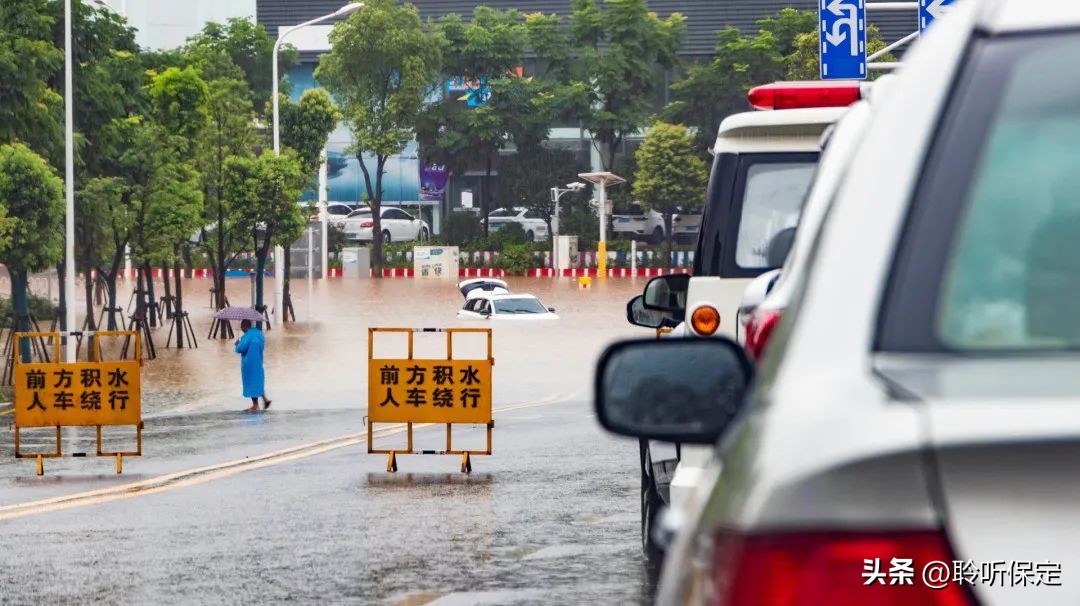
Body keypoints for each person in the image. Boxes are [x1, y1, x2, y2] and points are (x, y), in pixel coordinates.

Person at [235, 319, 271, 412]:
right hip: (258, 362)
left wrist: (237, 344)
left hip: (249, 364)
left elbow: (240, 349)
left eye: (242, 327)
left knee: (251, 383)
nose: (242, 329)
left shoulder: (246, 337)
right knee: (257, 382)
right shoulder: (259, 334)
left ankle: (255, 405)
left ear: (244, 326)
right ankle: (265, 400)